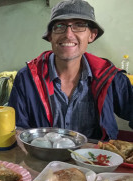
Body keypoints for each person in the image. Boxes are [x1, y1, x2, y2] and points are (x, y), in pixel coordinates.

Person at [8, 0, 133, 140]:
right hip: (43, 159)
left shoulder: (110, 77)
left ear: (92, 35)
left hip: (96, 160)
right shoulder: (27, 78)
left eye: (79, 25)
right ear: (50, 36)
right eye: (60, 26)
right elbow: (18, 129)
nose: (68, 34)